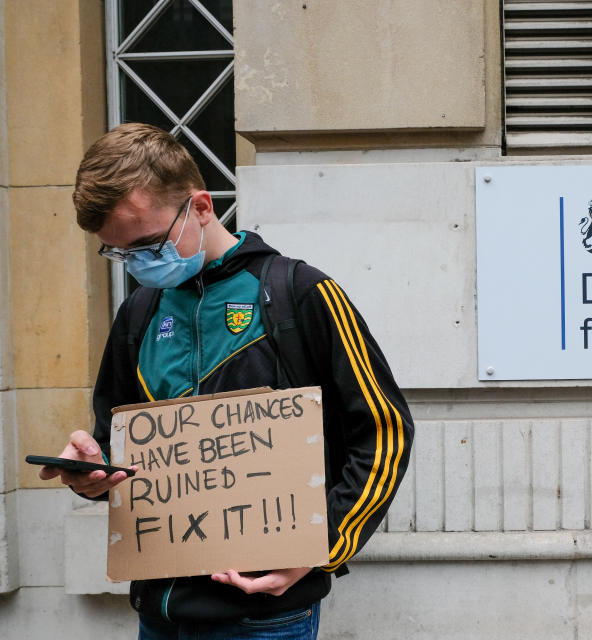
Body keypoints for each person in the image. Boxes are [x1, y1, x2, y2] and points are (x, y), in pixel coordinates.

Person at [37, 122, 414, 639]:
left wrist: (323, 546)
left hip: (264, 618)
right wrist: (93, 473)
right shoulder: (139, 314)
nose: (139, 266)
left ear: (200, 206)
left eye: (148, 245)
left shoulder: (300, 294)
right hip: (158, 615)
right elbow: (118, 447)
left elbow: (385, 430)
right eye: (121, 254)